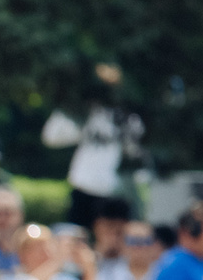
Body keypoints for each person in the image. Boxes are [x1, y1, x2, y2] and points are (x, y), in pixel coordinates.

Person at [42, 64, 146, 229]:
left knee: (112, 239)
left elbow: (135, 154)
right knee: (76, 235)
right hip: (84, 184)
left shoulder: (129, 119)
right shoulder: (85, 114)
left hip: (113, 189)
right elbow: (51, 137)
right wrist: (69, 109)